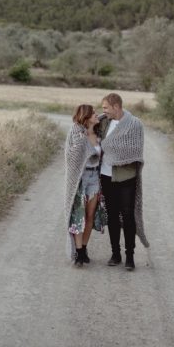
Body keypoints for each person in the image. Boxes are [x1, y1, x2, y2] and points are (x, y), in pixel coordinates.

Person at [97, 93, 149, 270]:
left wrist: (114, 152)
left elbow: (134, 150)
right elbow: (86, 131)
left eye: (105, 107)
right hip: (106, 175)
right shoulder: (103, 122)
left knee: (127, 216)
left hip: (126, 177)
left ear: (116, 106)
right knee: (111, 216)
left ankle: (130, 256)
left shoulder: (135, 124)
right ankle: (115, 253)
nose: (103, 110)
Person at [64, 103, 107, 266]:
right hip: (80, 180)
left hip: (95, 178)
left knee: (90, 216)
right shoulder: (76, 132)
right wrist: (83, 140)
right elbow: (71, 156)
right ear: (86, 117)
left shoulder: (98, 132)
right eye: (93, 113)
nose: (97, 114)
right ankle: (79, 252)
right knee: (78, 216)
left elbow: (111, 116)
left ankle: (83, 249)